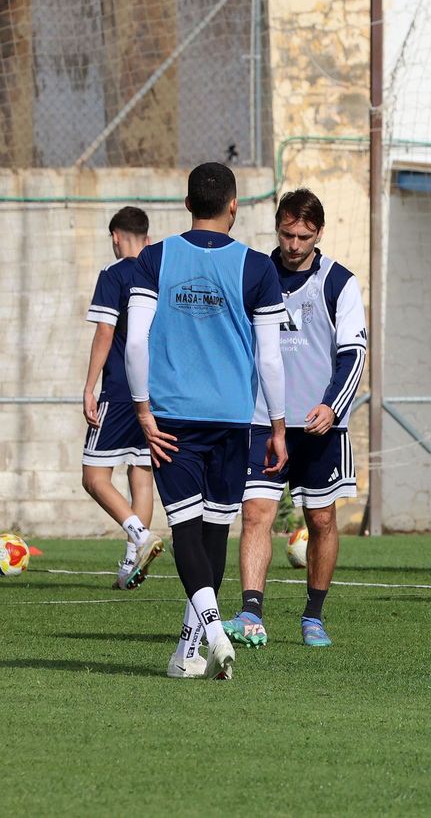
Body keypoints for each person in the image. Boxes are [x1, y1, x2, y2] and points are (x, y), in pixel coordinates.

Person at [125, 162, 288, 679]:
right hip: (233, 421)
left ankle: (208, 638)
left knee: (186, 530)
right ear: (234, 206)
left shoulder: (155, 257)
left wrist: (142, 411)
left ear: (187, 204)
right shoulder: (258, 267)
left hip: (171, 419)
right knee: (214, 532)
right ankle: (192, 650)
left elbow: (133, 342)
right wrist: (278, 427)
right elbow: (270, 359)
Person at [224, 189, 367, 649]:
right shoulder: (253, 275)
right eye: (287, 234)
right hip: (262, 421)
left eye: (304, 236)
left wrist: (332, 406)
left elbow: (353, 352)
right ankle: (250, 613)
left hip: (319, 423)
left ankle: (314, 616)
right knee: (256, 514)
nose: (294, 244)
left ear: (318, 233)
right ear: (277, 228)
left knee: (322, 520)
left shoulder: (340, 282)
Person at [81, 206, 162, 590]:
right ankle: (132, 563)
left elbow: (104, 333)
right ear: (146, 238)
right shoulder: (158, 273)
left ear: (115, 236)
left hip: (119, 391)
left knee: (94, 477)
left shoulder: (114, 275)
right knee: (141, 476)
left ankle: (140, 536)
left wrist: (89, 386)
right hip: (155, 395)